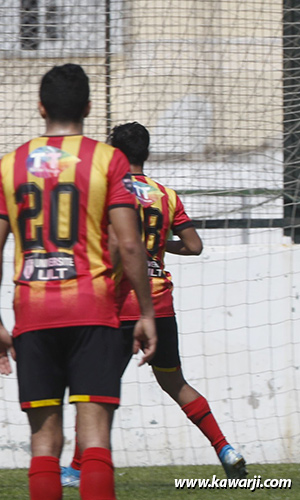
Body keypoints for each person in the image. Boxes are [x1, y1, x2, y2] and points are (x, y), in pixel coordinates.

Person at [0, 65, 157, 500]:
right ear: (89, 108)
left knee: (44, 444)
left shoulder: (10, 165)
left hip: (34, 317)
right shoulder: (107, 160)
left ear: (40, 108)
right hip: (93, 311)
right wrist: (146, 313)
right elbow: (130, 245)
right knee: (95, 438)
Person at [60, 122, 246, 487]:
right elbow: (194, 246)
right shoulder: (166, 195)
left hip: (119, 303)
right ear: (145, 152)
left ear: (114, 153)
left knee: (92, 388)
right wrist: (158, 249)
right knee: (176, 383)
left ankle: (79, 468)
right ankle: (225, 448)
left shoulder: (106, 191)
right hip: (160, 304)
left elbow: (114, 247)